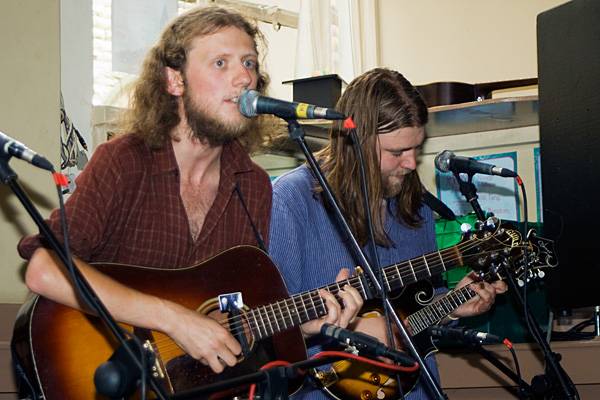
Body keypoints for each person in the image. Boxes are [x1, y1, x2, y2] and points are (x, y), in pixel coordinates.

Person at [18, 5, 274, 375]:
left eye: (249, 63)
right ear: (175, 81)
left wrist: (309, 323)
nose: (243, 78)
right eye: (221, 63)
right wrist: (175, 319)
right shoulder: (123, 161)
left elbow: (232, 305)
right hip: (104, 371)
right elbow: (43, 270)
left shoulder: (254, 186)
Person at [268, 68, 508, 399]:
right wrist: (344, 330)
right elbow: (271, 337)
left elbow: (411, 312)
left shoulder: (416, 203)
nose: (411, 164)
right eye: (397, 153)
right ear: (356, 144)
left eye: (416, 149)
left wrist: (452, 307)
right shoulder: (290, 200)